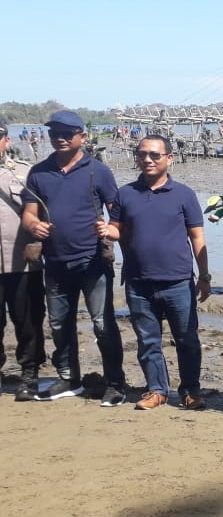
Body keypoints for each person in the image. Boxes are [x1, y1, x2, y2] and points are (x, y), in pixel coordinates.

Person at [22, 110, 127, 404]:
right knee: (59, 324)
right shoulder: (39, 172)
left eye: (67, 133)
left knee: (102, 323)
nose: (60, 138)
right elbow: (30, 213)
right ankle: (69, 378)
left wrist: (111, 228)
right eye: (54, 132)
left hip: (93, 261)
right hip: (55, 262)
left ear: (82, 136)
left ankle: (115, 382)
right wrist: (34, 225)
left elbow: (117, 211)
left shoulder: (99, 171)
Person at [102, 135, 210, 410]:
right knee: (148, 340)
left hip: (178, 281)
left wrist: (205, 276)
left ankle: (190, 390)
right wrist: (106, 230)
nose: (147, 159)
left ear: (169, 159)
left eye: (154, 155)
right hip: (138, 283)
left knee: (186, 339)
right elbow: (116, 229)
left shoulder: (184, 194)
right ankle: (157, 390)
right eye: (142, 155)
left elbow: (197, 237)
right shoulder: (125, 194)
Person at [0, 123, 45, 401]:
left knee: (28, 321)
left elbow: (46, 213)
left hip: (22, 262)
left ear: (5, 140)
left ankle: (29, 374)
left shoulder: (25, 172)